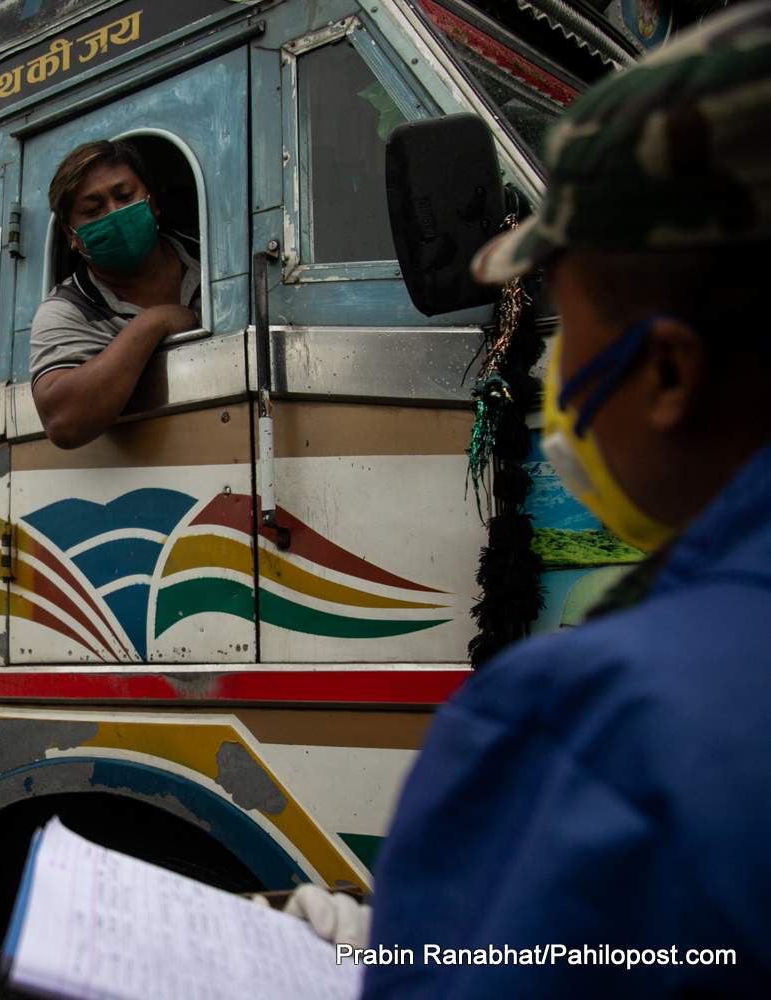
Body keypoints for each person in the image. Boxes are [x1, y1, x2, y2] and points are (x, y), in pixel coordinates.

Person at [287, 4, 771, 994]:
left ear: (668, 373)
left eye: (572, 324)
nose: (553, 380)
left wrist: (381, 953)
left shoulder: (591, 723)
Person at [29, 139, 201, 449]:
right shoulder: (67, 309)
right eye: (93, 210)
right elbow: (63, 421)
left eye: (124, 197)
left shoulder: (212, 255)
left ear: (152, 202)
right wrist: (155, 322)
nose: (115, 213)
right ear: (71, 234)